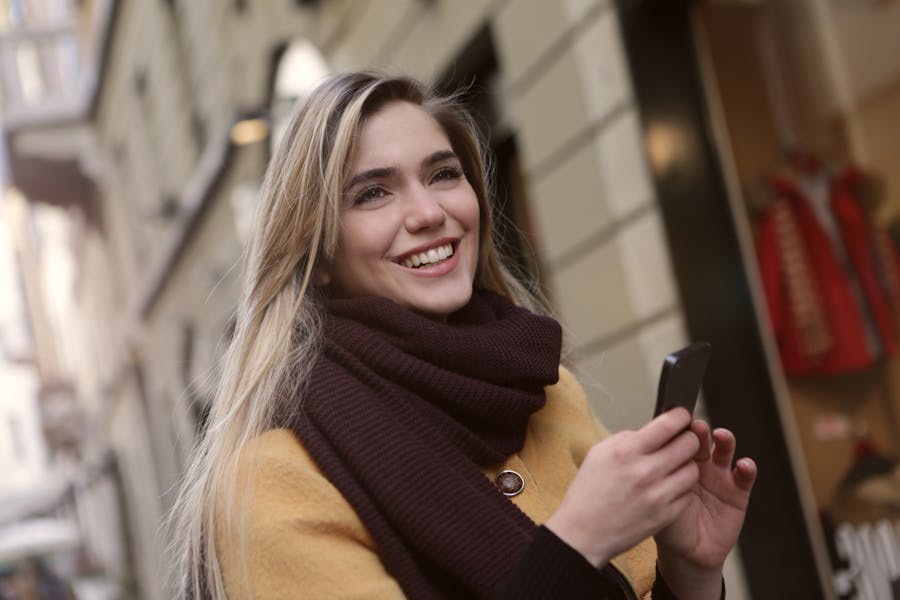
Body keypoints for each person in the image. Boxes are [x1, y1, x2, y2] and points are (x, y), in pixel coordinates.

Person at [171, 71, 757, 599]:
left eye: (443, 174)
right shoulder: (273, 480)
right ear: (317, 250)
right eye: (373, 192)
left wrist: (691, 574)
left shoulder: (547, 391)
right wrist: (575, 544)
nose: (428, 211)